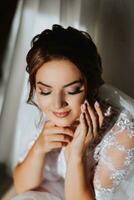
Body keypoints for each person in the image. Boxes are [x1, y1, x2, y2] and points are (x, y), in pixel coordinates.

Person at [12, 24, 134, 200]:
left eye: (72, 90)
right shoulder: (57, 119)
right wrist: (39, 149)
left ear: (92, 87)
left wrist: (78, 155)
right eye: (45, 91)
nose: (57, 104)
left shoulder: (122, 137)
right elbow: (21, 187)